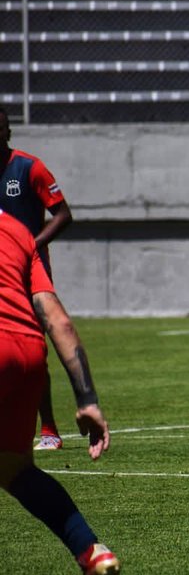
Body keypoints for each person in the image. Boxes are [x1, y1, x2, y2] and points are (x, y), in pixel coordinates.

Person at [0, 208, 120, 575]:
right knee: (15, 469)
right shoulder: (17, 231)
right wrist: (87, 399)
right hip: (28, 351)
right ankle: (93, 554)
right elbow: (56, 319)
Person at [0, 106, 74, 451]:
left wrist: (32, 244)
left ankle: (48, 429)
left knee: (32, 348)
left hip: (28, 273)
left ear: (7, 131)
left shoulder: (29, 167)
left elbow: (63, 214)